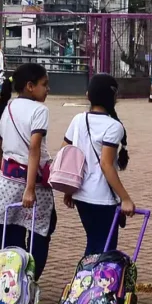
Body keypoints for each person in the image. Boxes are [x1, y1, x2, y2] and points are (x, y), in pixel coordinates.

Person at [0, 63, 57, 281]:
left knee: (8, 232)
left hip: (6, 181)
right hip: (33, 184)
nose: (48, 89)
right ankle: (28, 282)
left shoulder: (8, 107)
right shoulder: (40, 110)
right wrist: (29, 189)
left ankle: (8, 281)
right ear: (30, 86)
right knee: (41, 231)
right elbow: (34, 150)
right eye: (44, 84)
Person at [61, 73, 137, 256]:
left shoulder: (78, 119)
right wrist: (125, 198)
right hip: (102, 197)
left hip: (80, 194)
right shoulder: (113, 126)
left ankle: (86, 281)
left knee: (94, 241)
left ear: (89, 95)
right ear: (114, 97)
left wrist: (69, 189)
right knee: (105, 247)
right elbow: (106, 164)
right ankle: (89, 282)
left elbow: (65, 152)